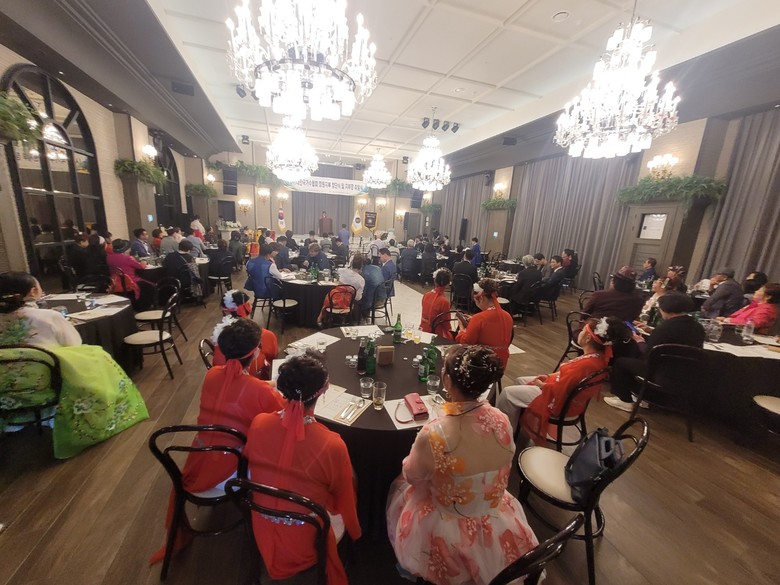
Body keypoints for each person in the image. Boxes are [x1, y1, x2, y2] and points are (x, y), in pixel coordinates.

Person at [387, 345, 537, 585]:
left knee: (402, 486)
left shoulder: (435, 433)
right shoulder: (501, 419)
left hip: (446, 527)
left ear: (447, 380)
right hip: (494, 514)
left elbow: (413, 476)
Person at [150, 318, 283, 566]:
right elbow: (282, 416)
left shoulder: (212, 374)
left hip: (200, 459)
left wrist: (266, 387)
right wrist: (274, 389)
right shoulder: (258, 390)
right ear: (255, 352)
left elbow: (238, 389)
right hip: (231, 471)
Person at [0, 272, 148, 458]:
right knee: (96, 357)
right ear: (34, 291)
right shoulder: (48, 316)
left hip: (3, 385)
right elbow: (74, 344)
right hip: (45, 382)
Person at [245, 353, 360, 585]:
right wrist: (355, 529)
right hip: (308, 535)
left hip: (261, 523)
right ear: (323, 390)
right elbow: (342, 497)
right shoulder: (332, 444)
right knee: (352, 480)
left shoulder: (258, 423)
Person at [497, 317, 629, 437]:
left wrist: (543, 385)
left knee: (508, 393)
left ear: (588, 337)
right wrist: (548, 376)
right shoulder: (596, 358)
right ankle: (515, 427)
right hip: (566, 394)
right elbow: (568, 379)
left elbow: (562, 389)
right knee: (520, 380)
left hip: (563, 403)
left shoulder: (587, 364)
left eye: (583, 330)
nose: (580, 333)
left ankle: (502, 433)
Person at [604, 292, 705, 412]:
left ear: (666, 309)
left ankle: (624, 399)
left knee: (621, 362)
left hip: (662, 373)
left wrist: (639, 341)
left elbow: (649, 354)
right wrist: (651, 330)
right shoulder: (697, 327)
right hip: (687, 373)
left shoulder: (664, 328)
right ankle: (641, 396)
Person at [211, 290, 279, 379]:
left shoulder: (219, 336)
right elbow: (274, 359)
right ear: (248, 307)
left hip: (223, 378)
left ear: (225, 311)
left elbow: (216, 363)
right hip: (259, 380)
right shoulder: (266, 335)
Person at [456, 278, 514, 367]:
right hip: (500, 363)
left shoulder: (479, 318)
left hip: (481, 364)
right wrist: (473, 320)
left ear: (481, 297)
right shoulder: (507, 316)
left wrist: (461, 327)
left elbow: (466, 343)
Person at [420, 268, 453, 339]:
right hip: (435, 332)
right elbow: (446, 324)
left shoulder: (426, 295)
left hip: (423, 328)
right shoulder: (444, 302)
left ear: (435, 281)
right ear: (448, 284)